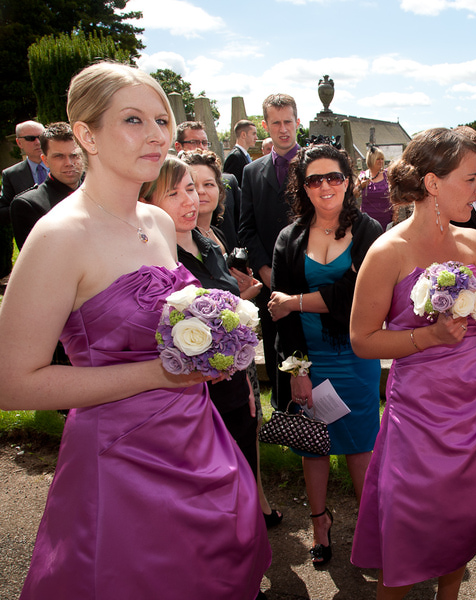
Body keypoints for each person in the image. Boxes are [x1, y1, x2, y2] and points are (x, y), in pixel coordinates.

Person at [0, 61, 270, 599]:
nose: (156, 135)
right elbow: (12, 383)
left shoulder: (160, 222)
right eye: (132, 120)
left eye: (161, 120)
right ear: (86, 135)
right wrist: (161, 373)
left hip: (197, 438)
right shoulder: (59, 237)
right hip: (120, 459)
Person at [348, 128, 476, 599]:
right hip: (421, 414)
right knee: (408, 532)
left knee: (462, 523)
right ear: (432, 183)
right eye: (471, 178)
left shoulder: (475, 243)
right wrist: (429, 336)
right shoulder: (388, 251)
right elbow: (362, 339)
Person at [266, 143, 383, 567]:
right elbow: (279, 314)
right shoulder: (289, 238)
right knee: (312, 446)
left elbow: (359, 296)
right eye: (314, 179)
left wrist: (295, 301)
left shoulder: (369, 231)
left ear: (348, 181)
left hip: (356, 355)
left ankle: (372, 531)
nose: (325, 186)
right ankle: (320, 524)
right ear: (303, 187)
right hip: (309, 358)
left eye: (333, 177)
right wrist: (297, 368)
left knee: (360, 446)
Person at [176, 149, 283, 527]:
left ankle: (256, 501)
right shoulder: (171, 245)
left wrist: (243, 293)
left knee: (248, 429)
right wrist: (242, 298)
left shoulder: (214, 237)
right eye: (189, 186)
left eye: (207, 185)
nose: (198, 194)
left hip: (236, 356)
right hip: (203, 366)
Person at [239, 93, 301, 407]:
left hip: (308, 278)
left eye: (288, 121)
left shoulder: (315, 165)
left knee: (309, 349)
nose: (283, 129)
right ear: (265, 126)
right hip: (269, 282)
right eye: (276, 123)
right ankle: (282, 412)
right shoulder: (252, 172)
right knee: (277, 350)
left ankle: (317, 416)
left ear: (298, 122)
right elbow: (246, 228)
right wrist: (264, 268)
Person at [10, 122, 84, 249]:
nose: (69, 163)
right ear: (45, 160)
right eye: (59, 156)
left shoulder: (101, 193)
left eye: (74, 155)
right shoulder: (29, 205)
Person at [0, 120, 46, 277]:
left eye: (41, 136)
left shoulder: (66, 167)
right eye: (31, 138)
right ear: (19, 143)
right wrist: (24, 207)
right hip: (33, 244)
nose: (38, 142)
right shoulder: (11, 175)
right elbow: (3, 211)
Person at [358, 146, 393, 230]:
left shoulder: (388, 174)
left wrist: (395, 216)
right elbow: (354, 194)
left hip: (386, 219)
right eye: (378, 159)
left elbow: (394, 194)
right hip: (368, 221)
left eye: (382, 159)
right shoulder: (363, 176)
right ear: (371, 160)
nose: (381, 161)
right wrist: (361, 186)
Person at [224, 119, 258, 184]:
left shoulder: (244, 155)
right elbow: (230, 185)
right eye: (253, 134)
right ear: (243, 135)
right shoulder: (234, 157)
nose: (256, 137)